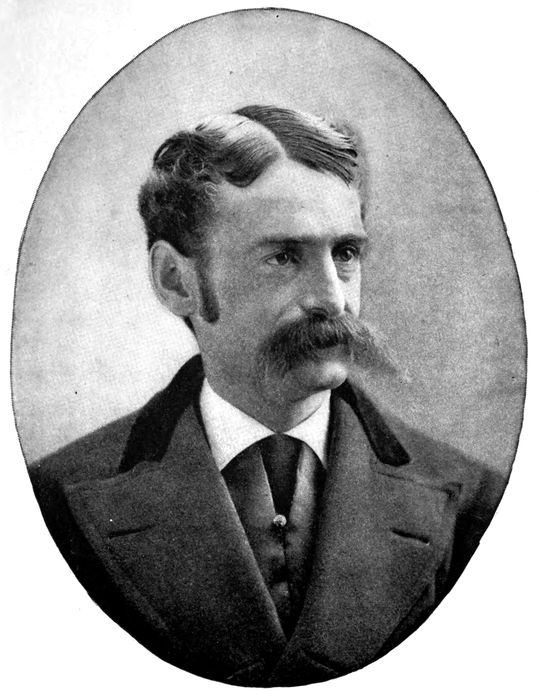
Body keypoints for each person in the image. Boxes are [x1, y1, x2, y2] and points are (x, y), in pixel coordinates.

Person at [29, 105, 505, 687]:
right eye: (283, 257)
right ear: (176, 281)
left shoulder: (475, 502)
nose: (333, 298)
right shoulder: (52, 502)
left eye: (346, 254)